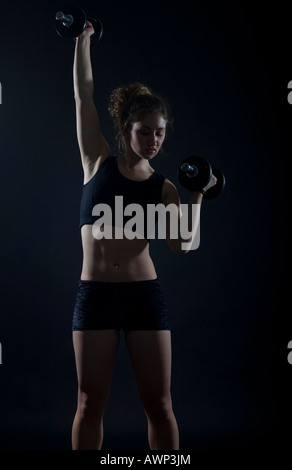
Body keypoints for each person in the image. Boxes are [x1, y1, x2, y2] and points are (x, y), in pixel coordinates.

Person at [71, 22, 217, 451]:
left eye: (160, 132)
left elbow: (183, 244)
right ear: (126, 128)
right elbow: (83, 95)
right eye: (145, 131)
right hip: (95, 295)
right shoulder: (96, 161)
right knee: (88, 402)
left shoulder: (164, 188)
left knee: (160, 404)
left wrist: (197, 195)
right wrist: (82, 40)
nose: (153, 140)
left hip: (143, 297)